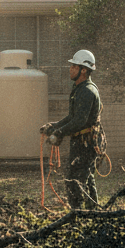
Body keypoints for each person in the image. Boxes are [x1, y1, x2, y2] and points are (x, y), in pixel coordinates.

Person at [41, 49, 103, 209]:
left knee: (74, 181)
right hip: (81, 142)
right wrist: (54, 126)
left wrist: (58, 133)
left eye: (74, 66)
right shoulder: (79, 89)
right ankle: (92, 212)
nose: (70, 69)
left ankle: (78, 214)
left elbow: (79, 121)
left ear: (84, 70)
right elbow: (71, 117)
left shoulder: (87, 91)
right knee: (86, 178)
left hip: (86, 144)